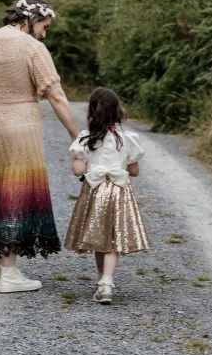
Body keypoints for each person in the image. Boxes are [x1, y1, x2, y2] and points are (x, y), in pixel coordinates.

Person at [0, 0, 79, 294]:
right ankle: (10, 273)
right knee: (14, 192)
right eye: (45, 26)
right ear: (31, 19)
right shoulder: (33, 48)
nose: (44, 33)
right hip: (19, 126)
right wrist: (76, 134)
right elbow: (57, 95)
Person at [64, 87, 150, 304]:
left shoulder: (86, 138)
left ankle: (102, 282)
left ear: (92, 112)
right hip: (119, 191)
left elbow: (77, 170)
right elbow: (134, 171)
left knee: (98, 238)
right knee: (112, 240)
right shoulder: (127, 138)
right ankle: (107, 282)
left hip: (95, 191)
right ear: (117, 111)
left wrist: (80, 161)